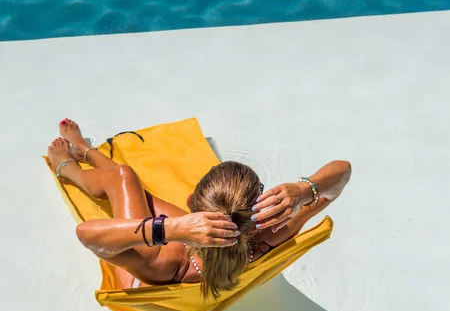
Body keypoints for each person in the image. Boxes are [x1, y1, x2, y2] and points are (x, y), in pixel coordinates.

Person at [47, 119, 351, 297]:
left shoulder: (163, 257)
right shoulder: (267, 237)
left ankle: (70, 166)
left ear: (191, 203)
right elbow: (341, 175)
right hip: (208, 264)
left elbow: (87, 235)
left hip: (143, 269)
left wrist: (170, 228)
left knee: (124, 178)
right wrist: (304, 189)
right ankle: (86, 152)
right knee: (137, 189)